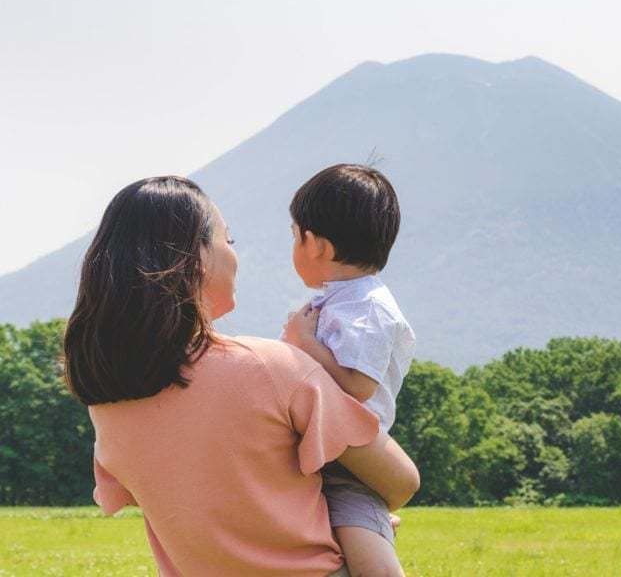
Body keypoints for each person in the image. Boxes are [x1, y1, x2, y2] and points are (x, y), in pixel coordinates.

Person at [62, 175, 420, 577]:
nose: (235, 255)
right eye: (228, 240)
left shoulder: (107, 403)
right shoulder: (273, 368)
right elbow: (400, 481)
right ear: (194, 256)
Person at [282, 164, 416, 577]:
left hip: (349, 466)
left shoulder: (367, 306)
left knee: (364, 548)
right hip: (321, 453)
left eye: (294, 236)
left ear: (316, 244)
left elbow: (357, 384)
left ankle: (374, 531)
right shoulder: (339, 299)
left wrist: (304, 343)